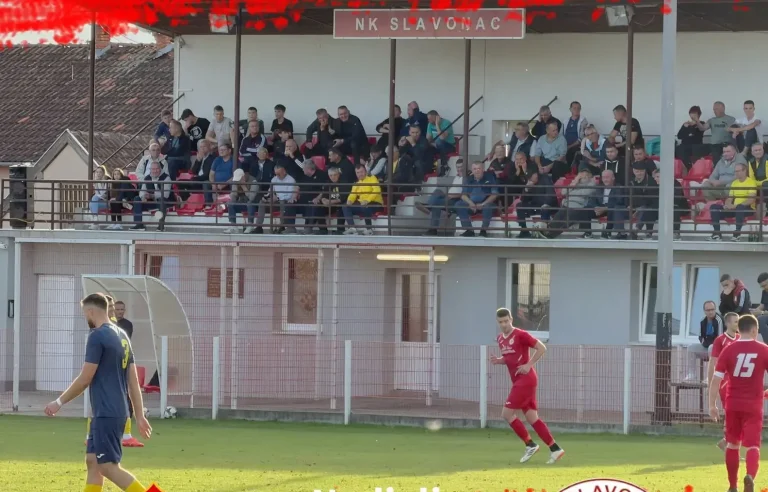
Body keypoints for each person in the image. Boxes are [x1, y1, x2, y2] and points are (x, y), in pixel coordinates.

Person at [45, 293, 152, 492]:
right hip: (113, 411)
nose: (85, 317)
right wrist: (139, 415)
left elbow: (85, 378)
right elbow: (133, 381)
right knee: (92, 461)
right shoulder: (122, 335)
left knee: (108, 467)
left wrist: (58, 402)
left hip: (107, 412)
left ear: (91, 311)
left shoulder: (97, 336)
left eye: (84, 313)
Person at [490, 308, 565, 465]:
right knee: (532, 418)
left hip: (525, 380)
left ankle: (530, 444)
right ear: (497, 322)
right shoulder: (500, 339)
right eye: (501, 322)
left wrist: (529, 364)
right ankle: (555, 449)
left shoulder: (521, 334)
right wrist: (499, 360)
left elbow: (542, 348)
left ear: (511, 319)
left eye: (506, 321)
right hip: (519, 381)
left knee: (506, 414)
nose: (504, 324)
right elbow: (509, 357)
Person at [709, 314, 768, 492]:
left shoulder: (729, 350)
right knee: (753, 445)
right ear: (755, 330)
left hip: (733, 404)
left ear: (739, 330)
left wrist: (712, 405)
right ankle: (750, 475)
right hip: (753, 404)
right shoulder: (764, 350)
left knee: (733, 444)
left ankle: (733, 485)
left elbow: (716, 380)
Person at [707, 312, 741, 454]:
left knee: (737, 414)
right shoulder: (720, 340)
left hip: (738, 382)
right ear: (727, 323)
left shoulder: (740, 339)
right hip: (725, 382)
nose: (738, 324)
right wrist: (711, 383)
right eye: (735, 322)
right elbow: (712, 362)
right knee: (732, 413)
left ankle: (726, 442)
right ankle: (729, 446)